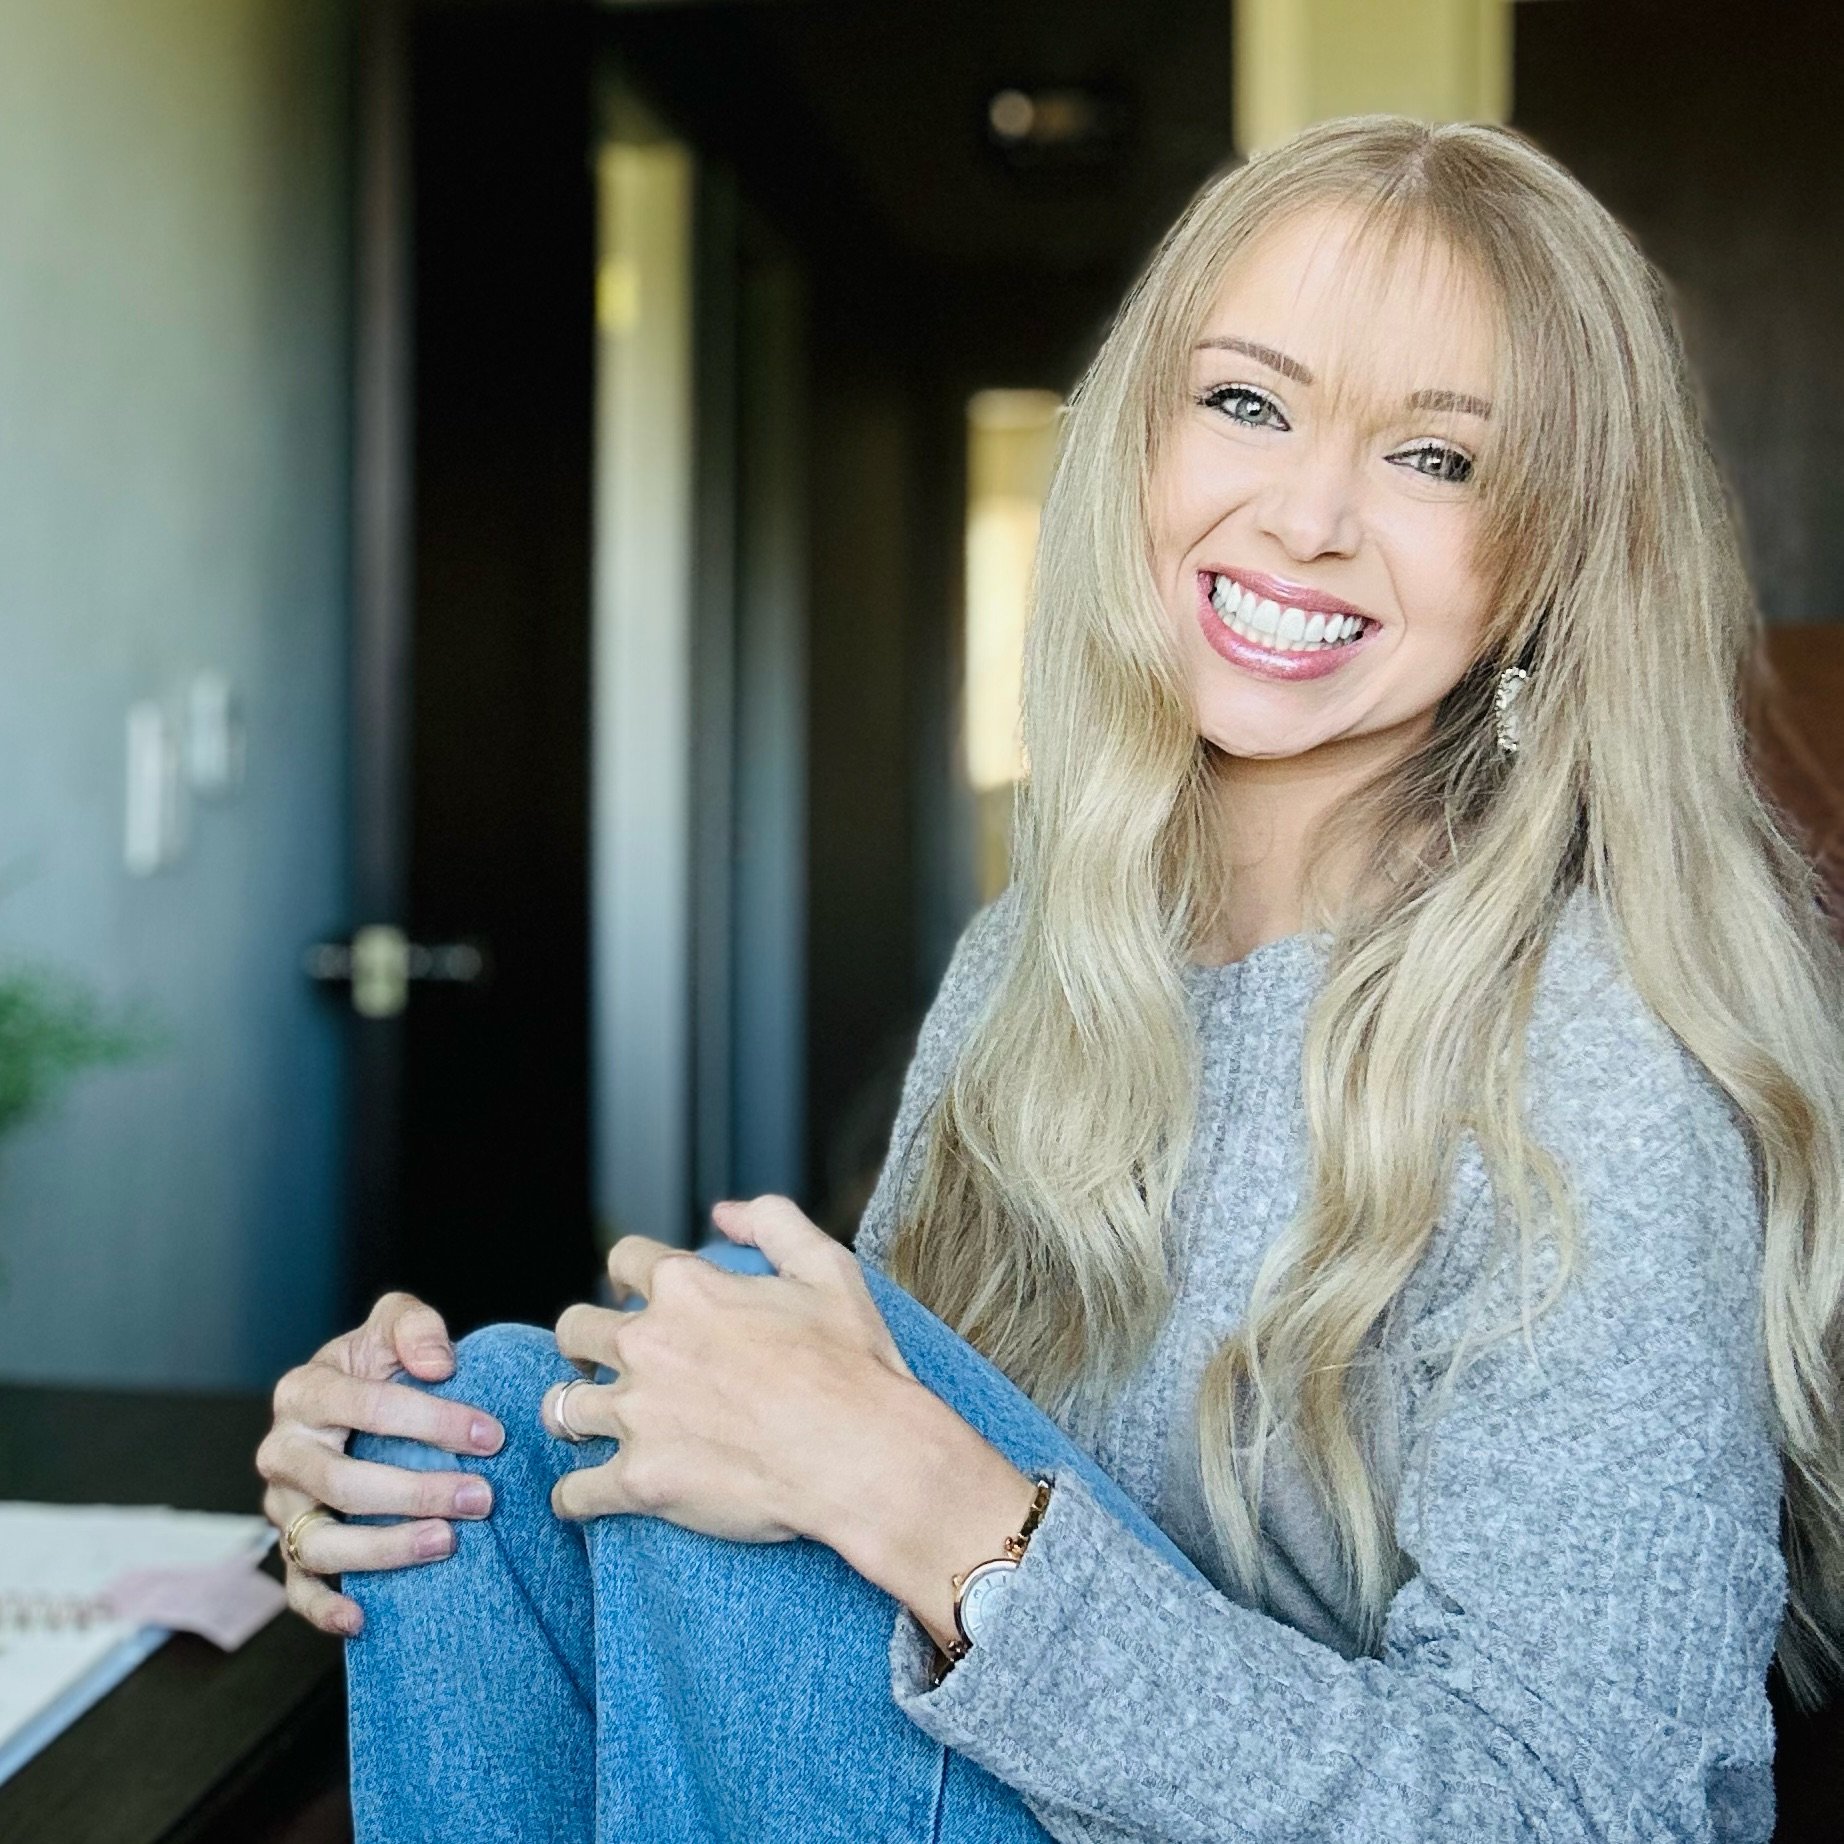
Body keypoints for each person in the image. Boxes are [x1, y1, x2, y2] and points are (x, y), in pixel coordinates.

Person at [254, 115, 1844, 1843]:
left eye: (1436, 460)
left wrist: (951, 1520)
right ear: (1142, 444)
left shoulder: (1595, 1056)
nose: (1305, 514)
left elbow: (1592, 1814)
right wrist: (369, 1482)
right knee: (469, 1434)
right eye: (1247, 402)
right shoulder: (1041, 960)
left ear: (1549, 565)